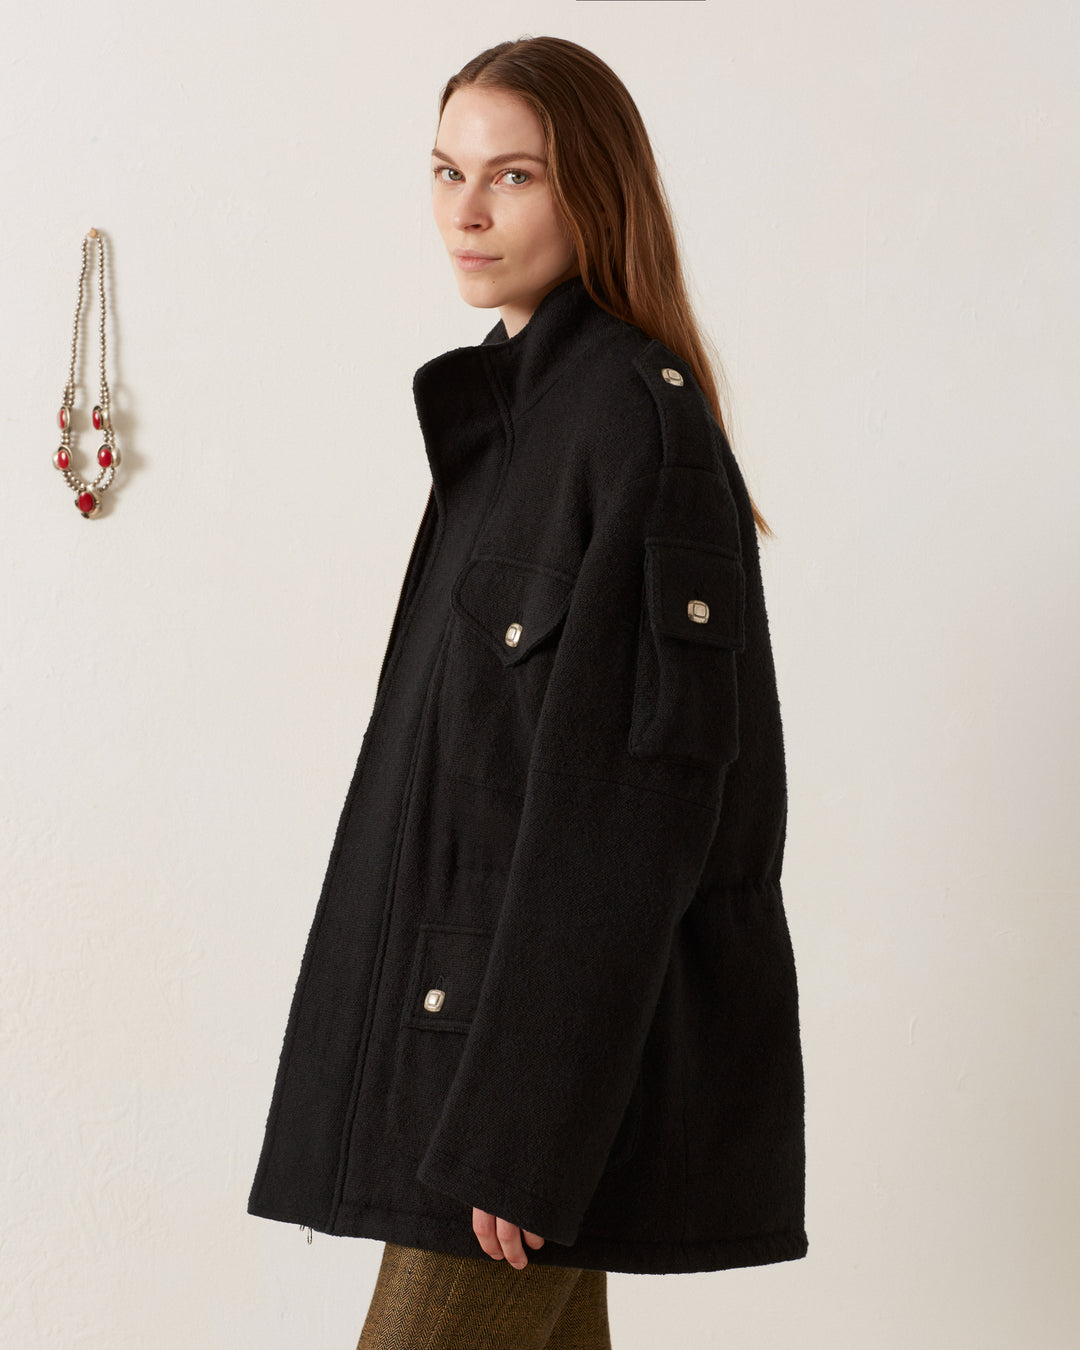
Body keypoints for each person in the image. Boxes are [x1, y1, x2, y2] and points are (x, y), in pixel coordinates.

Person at [247, 35, 807, 1350]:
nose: (468, 210)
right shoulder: (515, 423)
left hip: (509, 1097)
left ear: (592, 193)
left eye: (514, 176)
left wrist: (530, 1116)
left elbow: (638, 804)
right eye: (447, 171)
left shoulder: (630, 422)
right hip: (465, 1068)